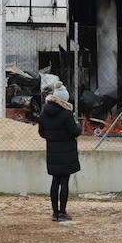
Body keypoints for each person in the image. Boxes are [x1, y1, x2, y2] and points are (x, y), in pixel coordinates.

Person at [36, 81, 81, 222]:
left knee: (55, 181)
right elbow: (75, 132)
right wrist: (78, 126)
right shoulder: (66, 114)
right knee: (64, 182)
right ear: (64, 99)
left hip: (52, 152)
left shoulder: (44, 113)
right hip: (67, 152)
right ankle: (62, 212)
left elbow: (42, 133)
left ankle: (55, 213)